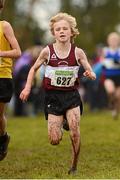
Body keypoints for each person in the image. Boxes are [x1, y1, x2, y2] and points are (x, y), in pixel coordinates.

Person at [20, 12, 96, 174]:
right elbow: (33, 69)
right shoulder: (47, 51)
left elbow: (90, 70)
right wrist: (27, 87)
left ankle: (74, 167)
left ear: (71, 32)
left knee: (75, 131)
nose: (61, 31)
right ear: (53, 33)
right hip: (53, 97)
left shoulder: (78, 52)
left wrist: (90, 74)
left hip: (71, 96)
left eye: (65, 29)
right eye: (58, 29)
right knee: (54, 140)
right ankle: (61, 123)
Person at [0, 0, 21, 161]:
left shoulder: (4, 26)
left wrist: (1, 53)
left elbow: (17, 52)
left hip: (3, 76)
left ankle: (3, 137)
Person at [101, 32, 120, 119]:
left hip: (118, 77)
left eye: (115, 40)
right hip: (109, 76)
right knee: (110, 91)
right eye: (111, 40)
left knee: (118, 96)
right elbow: (102, 62)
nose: (113, 41)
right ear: (108, 41)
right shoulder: (105, 51)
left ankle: (115, 110)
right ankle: (111, 106)